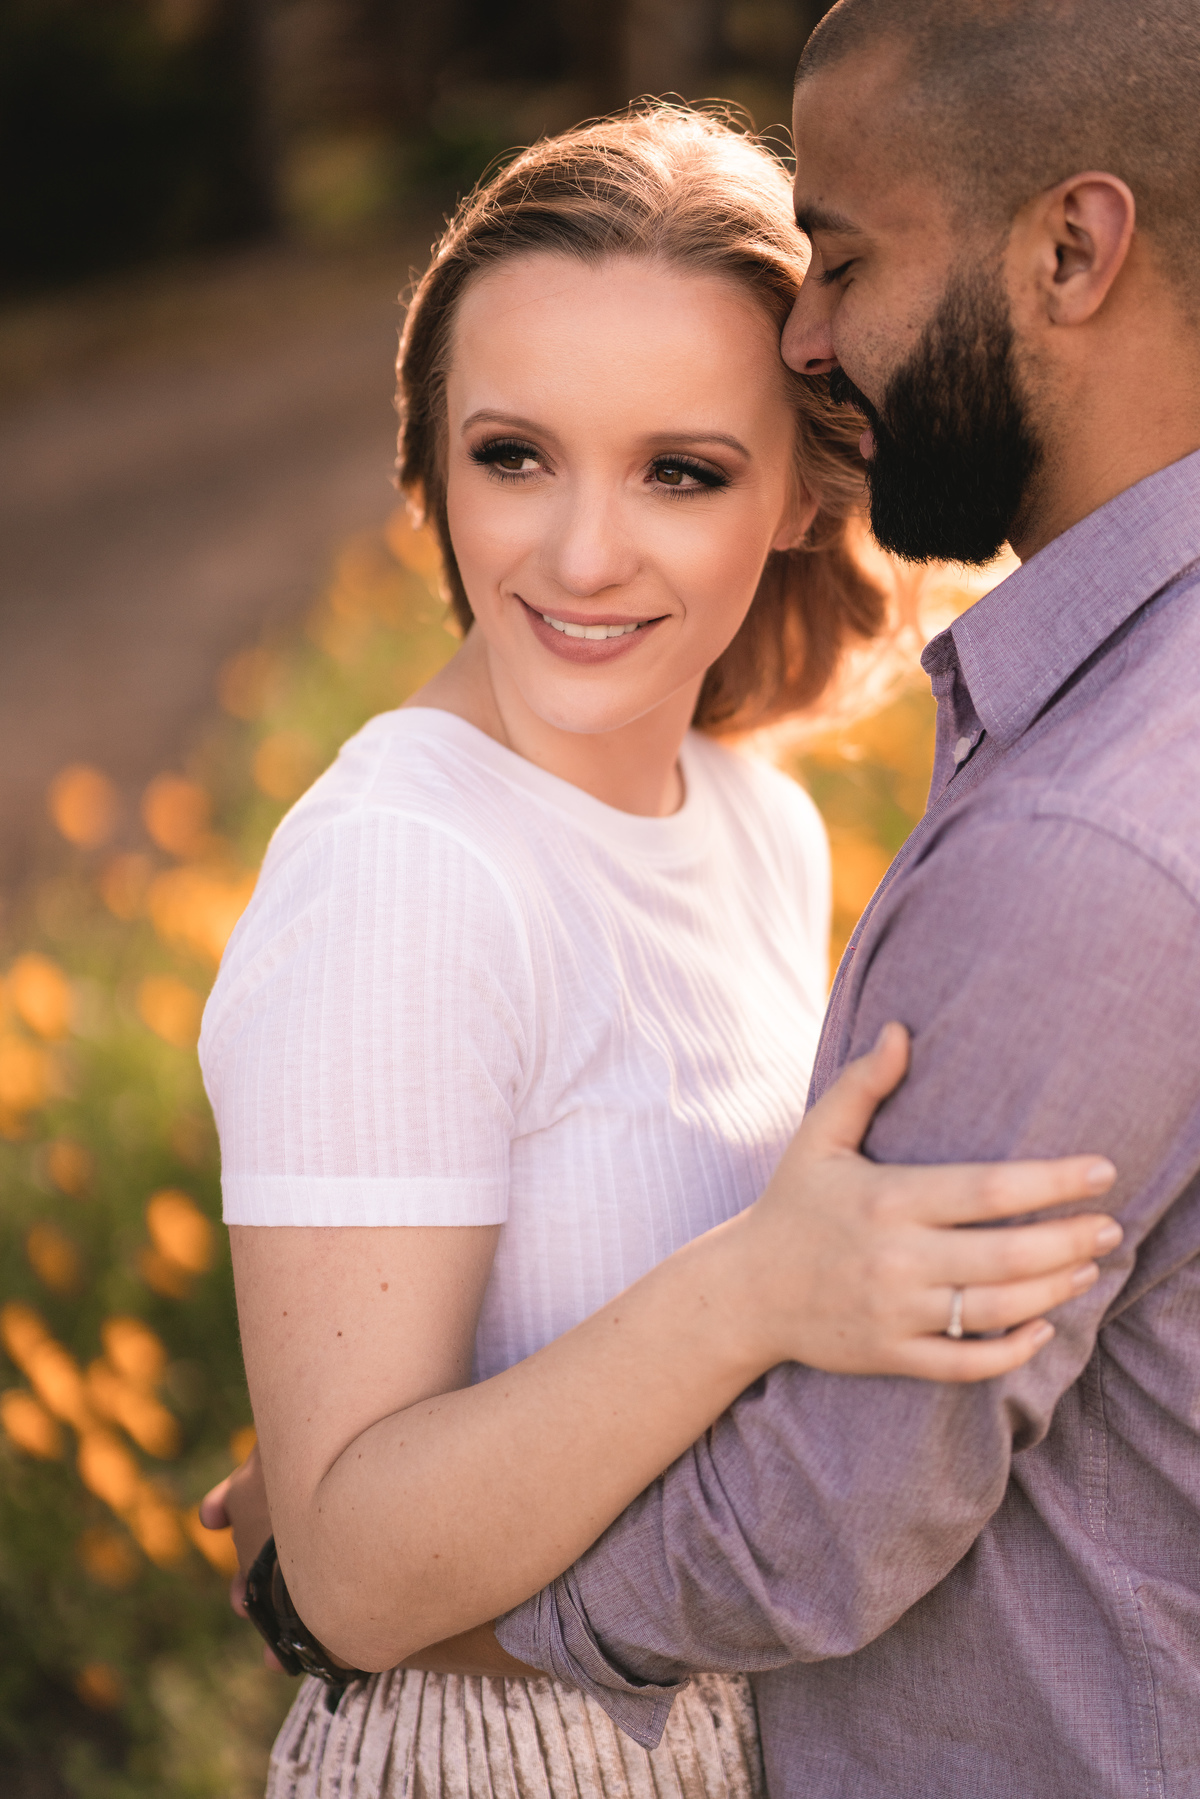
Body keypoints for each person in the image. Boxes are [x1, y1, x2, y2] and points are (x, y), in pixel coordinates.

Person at [199, 107, 1120, 1797]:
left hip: (728, 1725)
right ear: (433, 458)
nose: (581, 555)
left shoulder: (753, 820)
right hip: (501, 1758)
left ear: (792, 495)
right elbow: (342, 1575)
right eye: (514, 455)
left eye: (679, 471)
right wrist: (752, 1288)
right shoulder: (402, 870)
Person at [468, 7, 1200, 1798]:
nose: (803, 338)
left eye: (845, 259)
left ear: (1070, 250)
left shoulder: (1094, 846)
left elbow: (817, 1524)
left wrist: (380, 1578)